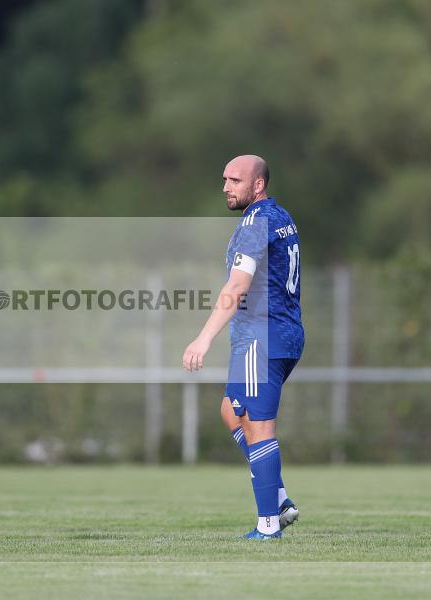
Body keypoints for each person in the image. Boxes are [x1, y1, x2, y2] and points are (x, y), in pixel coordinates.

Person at [182, 155, 304, 540]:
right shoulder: (281, 217)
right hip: (282, 333)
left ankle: (268, 525)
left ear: (258, 185)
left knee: (259, 425)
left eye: (235, 180)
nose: (226, 187)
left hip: (262, 337)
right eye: (224, 179)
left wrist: (203, 338)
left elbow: (237, 287)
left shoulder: (255, 224)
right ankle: (279, 497)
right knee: (231, 411)